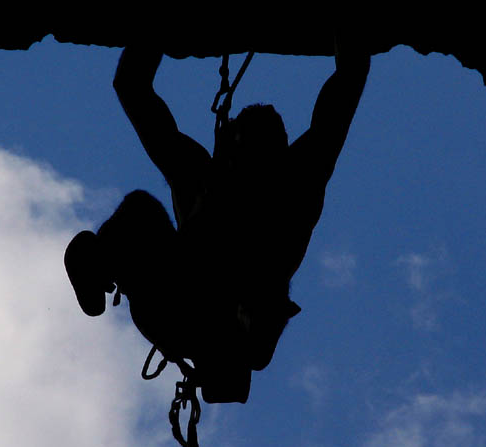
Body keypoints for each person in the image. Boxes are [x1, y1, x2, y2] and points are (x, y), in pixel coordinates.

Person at [65, 43, 369, 406]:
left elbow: (131, 87)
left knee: (142, 209)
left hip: (191, 302)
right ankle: (112, 268)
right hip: (199, 301)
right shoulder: (295, 185)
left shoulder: (205, 178)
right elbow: (347, 82)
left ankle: (111, 267)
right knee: (142, 210)